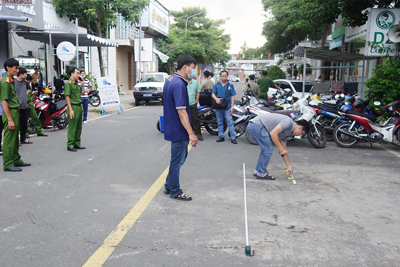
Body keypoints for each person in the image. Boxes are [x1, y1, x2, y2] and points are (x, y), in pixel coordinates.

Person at [163, 55, 198, 201]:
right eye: (193, 68)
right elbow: (181, 111)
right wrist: (191, 133)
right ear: (186, 67)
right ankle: (175, 191)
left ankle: (168, 185)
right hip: (179, 130)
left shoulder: (170, 80)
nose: (193, 71)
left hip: (172, 127)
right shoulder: (179, 84)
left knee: (176, 160)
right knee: (177, 161)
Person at [247, 113, 309, 180]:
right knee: (268, 149)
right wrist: (281, 149)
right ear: (300, 128)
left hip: (255, 126)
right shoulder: (288, 122)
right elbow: (273, 134)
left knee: (266, 150)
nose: (298, 135)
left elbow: (284, 150)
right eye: (301, 133)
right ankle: (261, 173)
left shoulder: (288, 133)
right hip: (257, 125)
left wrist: (289, 166)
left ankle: (257, 171)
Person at [0, 58, 31, 171]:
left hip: (15, 110)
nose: (17, 70)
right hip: (10, 112)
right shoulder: (5, 82)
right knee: (9, 139)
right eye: (15, 68)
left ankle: (16, 159)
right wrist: (9, 119)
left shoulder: (11, 80)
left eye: (18, 68)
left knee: (15, 139)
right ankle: (8, 164)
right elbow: (4, 102)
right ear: (8, 68)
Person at [211, 70, 237, 144]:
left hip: (227, 107)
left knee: (230, 122)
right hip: (218, 107)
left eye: (225, 76)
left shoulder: (230, 86)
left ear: (227, 76)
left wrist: (232, 107)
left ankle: (233, 137)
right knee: (219, 122)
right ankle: (221, 136)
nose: (224, 77)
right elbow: (213, 94)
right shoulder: (217, 85)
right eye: (222, 76)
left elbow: (232, 97)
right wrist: (216, 99)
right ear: (220, 76)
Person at [65, 67, 85, 152]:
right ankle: (70, 144)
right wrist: (70, 109)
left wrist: (83, 85)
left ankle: (77, 143)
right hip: (73, 107)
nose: (79, 75)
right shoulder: (68, 84)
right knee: (72, 127)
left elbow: (82, 93)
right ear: (72, 74)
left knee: (78, 127)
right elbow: (67, 97)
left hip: (79, 106)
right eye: (77, 73)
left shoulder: (76, 83)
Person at [14, 68, 32, 145]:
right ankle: (16, 141)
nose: (26, 75)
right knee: (16, 125)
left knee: (24, 123)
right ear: (21, 74)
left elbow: (29, 89)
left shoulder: (25, 82)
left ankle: (23, 139)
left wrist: (25, 94)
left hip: (24, 105)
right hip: (17, 107)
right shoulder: (14, 82)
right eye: (25, 73)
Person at [187, 75, 203, 141]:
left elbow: (198, 92)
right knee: (184, 119)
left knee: (195, 120)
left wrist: (196, 101)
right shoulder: (183, 82)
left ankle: (198, 134)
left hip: (192, 104)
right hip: (184, 105)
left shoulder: (195, 82)